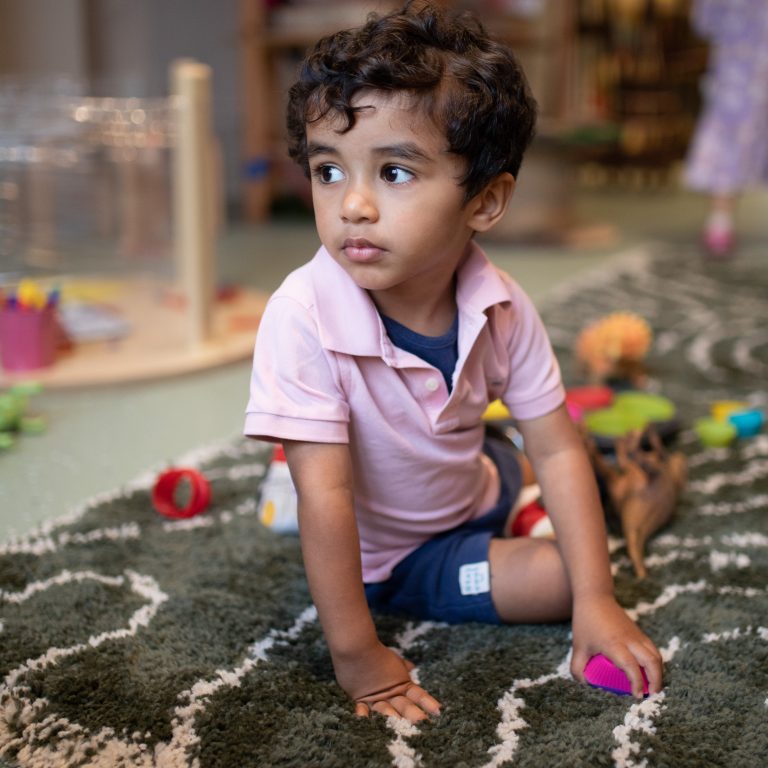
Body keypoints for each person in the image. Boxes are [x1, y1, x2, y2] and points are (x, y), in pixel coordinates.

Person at [245, 0, 662, 723]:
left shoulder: (499, 304)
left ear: (486, 202)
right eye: (328, 171)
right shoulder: (301, 314)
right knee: (561, 579)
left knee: (561, 477)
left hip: (471, 477)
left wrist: (605, 606)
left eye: (395, 173)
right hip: (398, 558)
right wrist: (357, 659)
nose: (354, 206)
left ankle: (527, 486)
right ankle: (293, 473)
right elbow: (330, 500)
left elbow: (556, 446)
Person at [684, 0, 768, 257]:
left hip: (736, 69)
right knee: (729, 141)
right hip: (739, 68)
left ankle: (719, 224)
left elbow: (703, 22)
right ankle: (719, 225)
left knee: (727, 141)